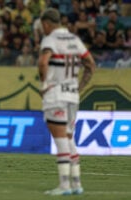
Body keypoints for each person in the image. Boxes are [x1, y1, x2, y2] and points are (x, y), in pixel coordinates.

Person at [37, 8, 95, 195]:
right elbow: (90, 65)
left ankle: (64, 186)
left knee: (60, 140)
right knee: (70, 139)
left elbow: (43, 62)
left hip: (56, 95)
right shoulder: (75, 40)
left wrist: (44, 84)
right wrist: (80, 87)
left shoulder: (50, 39)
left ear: (47, 23)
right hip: (72, 96)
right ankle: (77, 184)